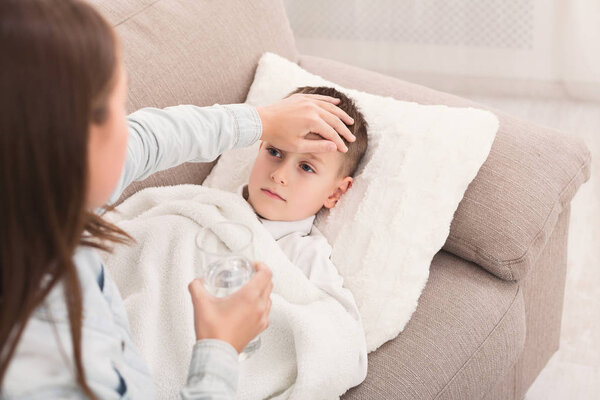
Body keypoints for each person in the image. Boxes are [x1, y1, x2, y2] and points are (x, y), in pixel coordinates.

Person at [0, 0, 356, 398]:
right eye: (117, 111)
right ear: (64, 140)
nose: (132, 130)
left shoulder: (40, 188)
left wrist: (263, 120)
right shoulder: (46, 368)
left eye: (306, 167)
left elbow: (152, 136)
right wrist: (218, 350)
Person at [237, 85, 369, 387]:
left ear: (335, 192)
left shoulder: (304, 254)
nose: (279, 174)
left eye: (306, 167)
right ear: (260, 148)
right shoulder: (212, 207)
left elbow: (347, 349)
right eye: (274, 151)